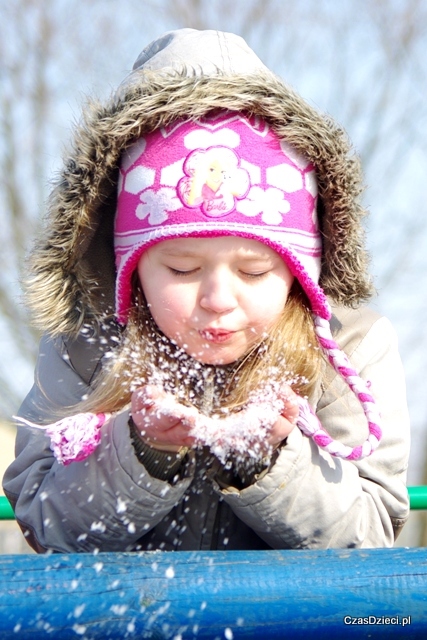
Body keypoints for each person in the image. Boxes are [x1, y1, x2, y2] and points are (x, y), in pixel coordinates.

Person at [2, 29, 410, 554]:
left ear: (298, 271)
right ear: (132, 269)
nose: (218, 298)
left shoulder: (351, 350)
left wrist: (264, 456)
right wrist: (142, 450)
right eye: (182, 267)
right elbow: (45, 521)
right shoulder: (82, 351)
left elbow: (369, 533)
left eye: (255, 271)